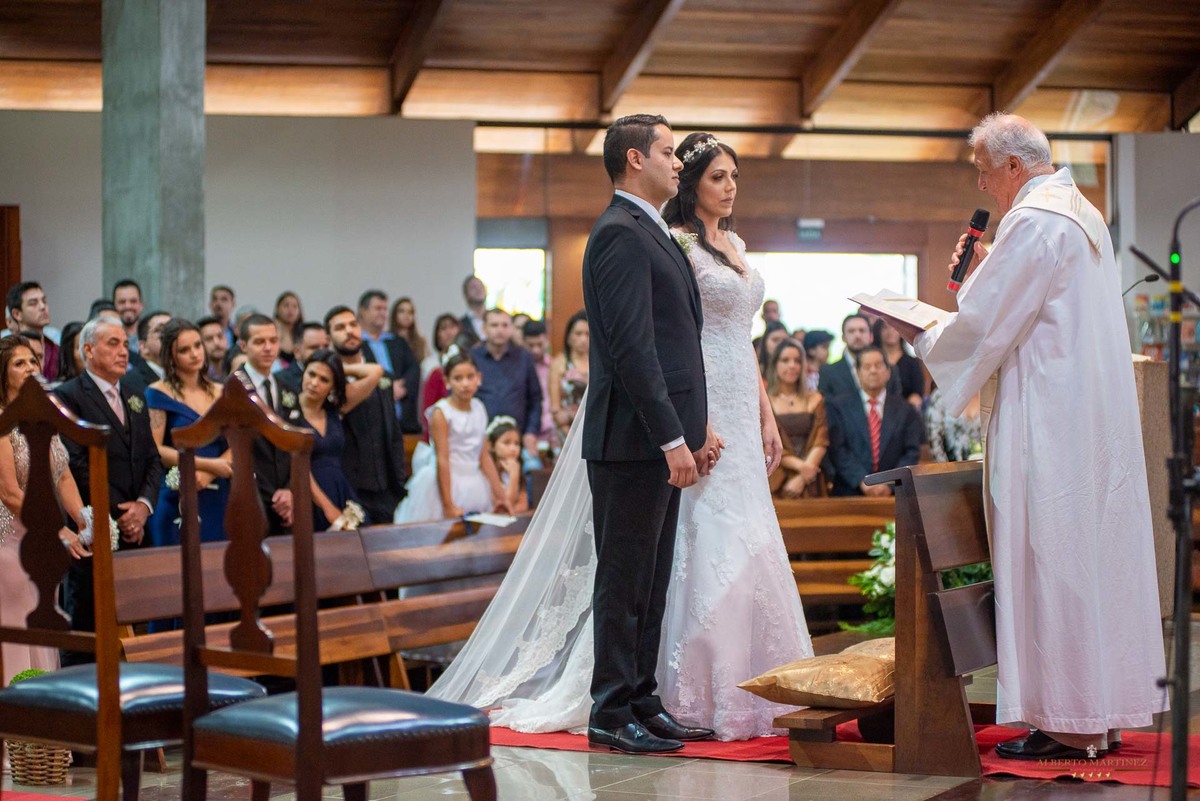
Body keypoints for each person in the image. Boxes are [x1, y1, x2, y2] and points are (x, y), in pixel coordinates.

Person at [428, 124, 811, 747]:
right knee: (624, 581)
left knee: (653, 582)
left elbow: (682, 342)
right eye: (666, 153)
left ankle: (643, 699)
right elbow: (633, 349)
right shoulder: (616, 233)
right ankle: (611, 712)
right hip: (631, 439)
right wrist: (673, 438)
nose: (675, 164)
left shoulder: (653, 229)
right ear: (636, 160)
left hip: (665, 435)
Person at [890, 113, 1166, 759]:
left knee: (1051, 558)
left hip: (1050, 426)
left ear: (1015, 165)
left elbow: (984, 326)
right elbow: (1039, 302)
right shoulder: (1080, 212)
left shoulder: (1035, 221)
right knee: (1089, 562)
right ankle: (1097, 711)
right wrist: (989, 265)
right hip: (1085, 424)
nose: (984, 185)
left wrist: (922, 334)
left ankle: (1067, 720)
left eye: (985, 171)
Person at [55, 317, 163, 660]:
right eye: (112, 344)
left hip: (135, 530)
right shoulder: (68, 395)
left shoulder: (134, 394)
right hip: (95, 526)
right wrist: (121, 512)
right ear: (88, 350)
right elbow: (75, 464)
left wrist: (143, 506)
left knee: (135, 628)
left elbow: (152, 458)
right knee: (89, 626)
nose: (123, 351)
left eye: (124, 343)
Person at [0, 336, 89, 685]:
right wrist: (55, 529)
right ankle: (16, 728)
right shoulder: (2, 422)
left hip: (41, 546)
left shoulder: (44, 416)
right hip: (10, 542)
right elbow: (8, 492)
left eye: (34, 361)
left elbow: (63, 472)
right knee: (17, 628)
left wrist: (85, 519)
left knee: (42, 626)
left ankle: (44, 727)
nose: (30, 368)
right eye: (19, 363)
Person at [145, 319, 232, 546]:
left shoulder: (221, 391)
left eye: (197, 345)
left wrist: (212, 473)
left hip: (219, 491)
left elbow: (238, 443)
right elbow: (156, 449)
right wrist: (207, 465)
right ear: (170, 357)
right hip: (178, 487)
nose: (194, 354)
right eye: (184, 350)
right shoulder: (157, 393)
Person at [395, 348, 507, 523]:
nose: (465, 384)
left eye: (470, 377)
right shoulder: (442, 413)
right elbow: (443, 459)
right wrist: (448, 504)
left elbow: (484, 455)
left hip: (473, 481)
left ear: (479, 378)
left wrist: (500, 494)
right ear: (447, 381)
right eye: (458, 378)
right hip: (444, 482)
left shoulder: (479, 407)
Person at [326, 305, 409, 526]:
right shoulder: (327, 381)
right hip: (348, 487)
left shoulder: (384, 376)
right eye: (340, 327)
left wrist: (397, 480)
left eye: (353, 324)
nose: (349, 331)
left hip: (385, 486)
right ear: (329, 337)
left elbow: (393, 431)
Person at [294, 349, 382, 531]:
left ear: (333, 387)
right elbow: (297, 465)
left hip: (340, 489)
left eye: (324, 379)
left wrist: (339, 369)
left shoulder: (334, 410)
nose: (314, 383)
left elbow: (375, 372)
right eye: (311, 374)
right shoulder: (288, 410)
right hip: (307, 491)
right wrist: (327, 507)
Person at [824, 346, 922, 497]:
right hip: (850, 492)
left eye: (878, 365)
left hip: (895, 494)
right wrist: (862, 481)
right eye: (867, 366)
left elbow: (911, 451)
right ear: (857, 373)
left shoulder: (906, 410)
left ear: (888, 372)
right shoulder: (838, 407)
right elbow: (838, 450)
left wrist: (889, 484)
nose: (873, 371)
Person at [231, 315, 293, 535]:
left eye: (273, 341)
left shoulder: (287, 386)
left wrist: (289, 489)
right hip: (251, 494)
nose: (268, 348)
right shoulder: (232, 389)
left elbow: (296, 442)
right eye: (259, 342)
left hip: (287, 498)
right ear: (243, 345)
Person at [470, 309, 542, 460]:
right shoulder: (472, 358)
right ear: (484, 328)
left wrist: (531, 432)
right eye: (494, 325)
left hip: (518, 441)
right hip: (479, 440)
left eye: (504, 325)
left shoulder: (524, 357)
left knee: (534, 468)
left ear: (511, 329)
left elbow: (536, 399)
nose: (499, 330)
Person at [766, 338, 829, 498]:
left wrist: (804, 475)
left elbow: (821, 440)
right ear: (775, 365)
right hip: (777, 478)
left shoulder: (815, 399)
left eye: (797, 361)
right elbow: (766, 444)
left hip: (811, 477)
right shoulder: (765, 402)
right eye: (785, 360)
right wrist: (802, 468)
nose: (792, 365)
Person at [358, 290, 420, 433]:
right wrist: (388, 389)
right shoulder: (356, 345)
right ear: (363, 311)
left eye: (385, 309)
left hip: (403, 421)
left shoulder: (397, 342)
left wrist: (403, 387)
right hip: (371, 422)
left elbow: (413, 368)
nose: (383, 313)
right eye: (378, 308)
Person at [818, 313, 899, 400]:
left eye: (862, 330)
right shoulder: (828, 372)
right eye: (851, 331)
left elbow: (895, 404)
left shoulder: (889, 369)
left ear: (871, 336)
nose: (857, 335)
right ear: (843, 337)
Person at [547, 310, 588, 440]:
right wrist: (571, 439)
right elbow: (556, 410)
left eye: (588, 334)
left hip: (591, 431)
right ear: (569, 336)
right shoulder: (559, 364)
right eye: (578, 333)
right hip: (565, 433)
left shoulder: (599, 364)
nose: (583, 339)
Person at [6, 282, 58, 381]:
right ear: (17, 314)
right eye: (33, 303)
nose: (43, 307)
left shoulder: (57, 351)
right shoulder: (6, 352)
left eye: (44, 301)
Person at [872, 317, 924, 409]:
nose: (890, 331)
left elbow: (917, 395)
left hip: (905, 412)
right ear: (878, 331)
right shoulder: (872, 361)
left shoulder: (912, 363)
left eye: (894, 328)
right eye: (885, 327)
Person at [926, 388, 982, 462]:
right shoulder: (940, 397)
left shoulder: (990, 392)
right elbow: (934, 446)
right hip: (949, 469)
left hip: (988, 469)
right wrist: (948, 471)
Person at [486, 415, 528, 515]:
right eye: (506, 443)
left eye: (517, 443)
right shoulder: (488, 473)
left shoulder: (518, 467)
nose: (513, 448)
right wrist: (514, 476)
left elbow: (523, 505)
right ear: (491, 446)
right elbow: (504, 507)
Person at [275, 321, 329, 388]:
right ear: (297, 352)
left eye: (326, 346)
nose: (323, 352)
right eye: (314, 347)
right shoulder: (279, 381)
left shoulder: (333, 377)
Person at [129, 310, 170, 385]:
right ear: (143, 347)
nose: (169, 334)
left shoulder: (187, 375)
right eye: (160, 330)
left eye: (173, 329)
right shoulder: (131, 382)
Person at [112, 279, 144, 354]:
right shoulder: (108, 337)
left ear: (141, 304)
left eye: (133, 301)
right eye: (122, 302)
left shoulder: (150, 337)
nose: (128, 306)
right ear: (114, 305)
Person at [273, 291, 304, 366]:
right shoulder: (271, 330)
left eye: (295, 306)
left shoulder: (304, 332)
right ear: (277, 309)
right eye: (286, 306)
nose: (290, 310)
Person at [197, 315, 230, 381]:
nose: (216, 343)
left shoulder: (234, 366)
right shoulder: (198, 375)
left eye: (220, 336)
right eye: (209, 339)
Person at [460, 275, 487, 345]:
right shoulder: (461, 325)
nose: (478, 289)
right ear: (466, 295)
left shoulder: (498, 319)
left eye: (481, 286)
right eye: (473, 287)